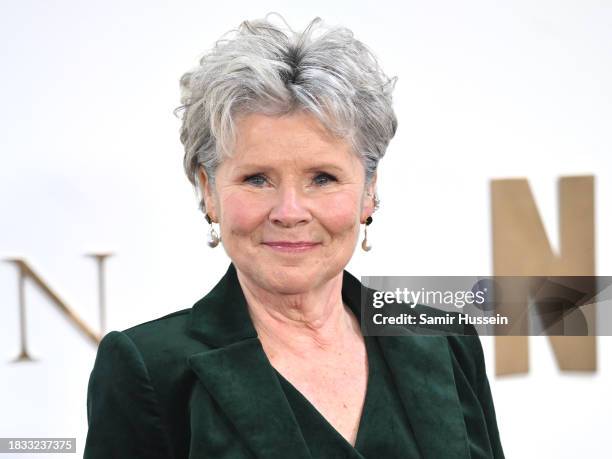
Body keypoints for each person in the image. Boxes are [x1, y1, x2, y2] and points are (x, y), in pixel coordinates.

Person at [84, 15, 504, 458]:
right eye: (256, 179)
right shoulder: (149, 369)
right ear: (209, 192)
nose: (289, 212)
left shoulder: (445, 339)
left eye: (322, 178)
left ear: (368, 192)